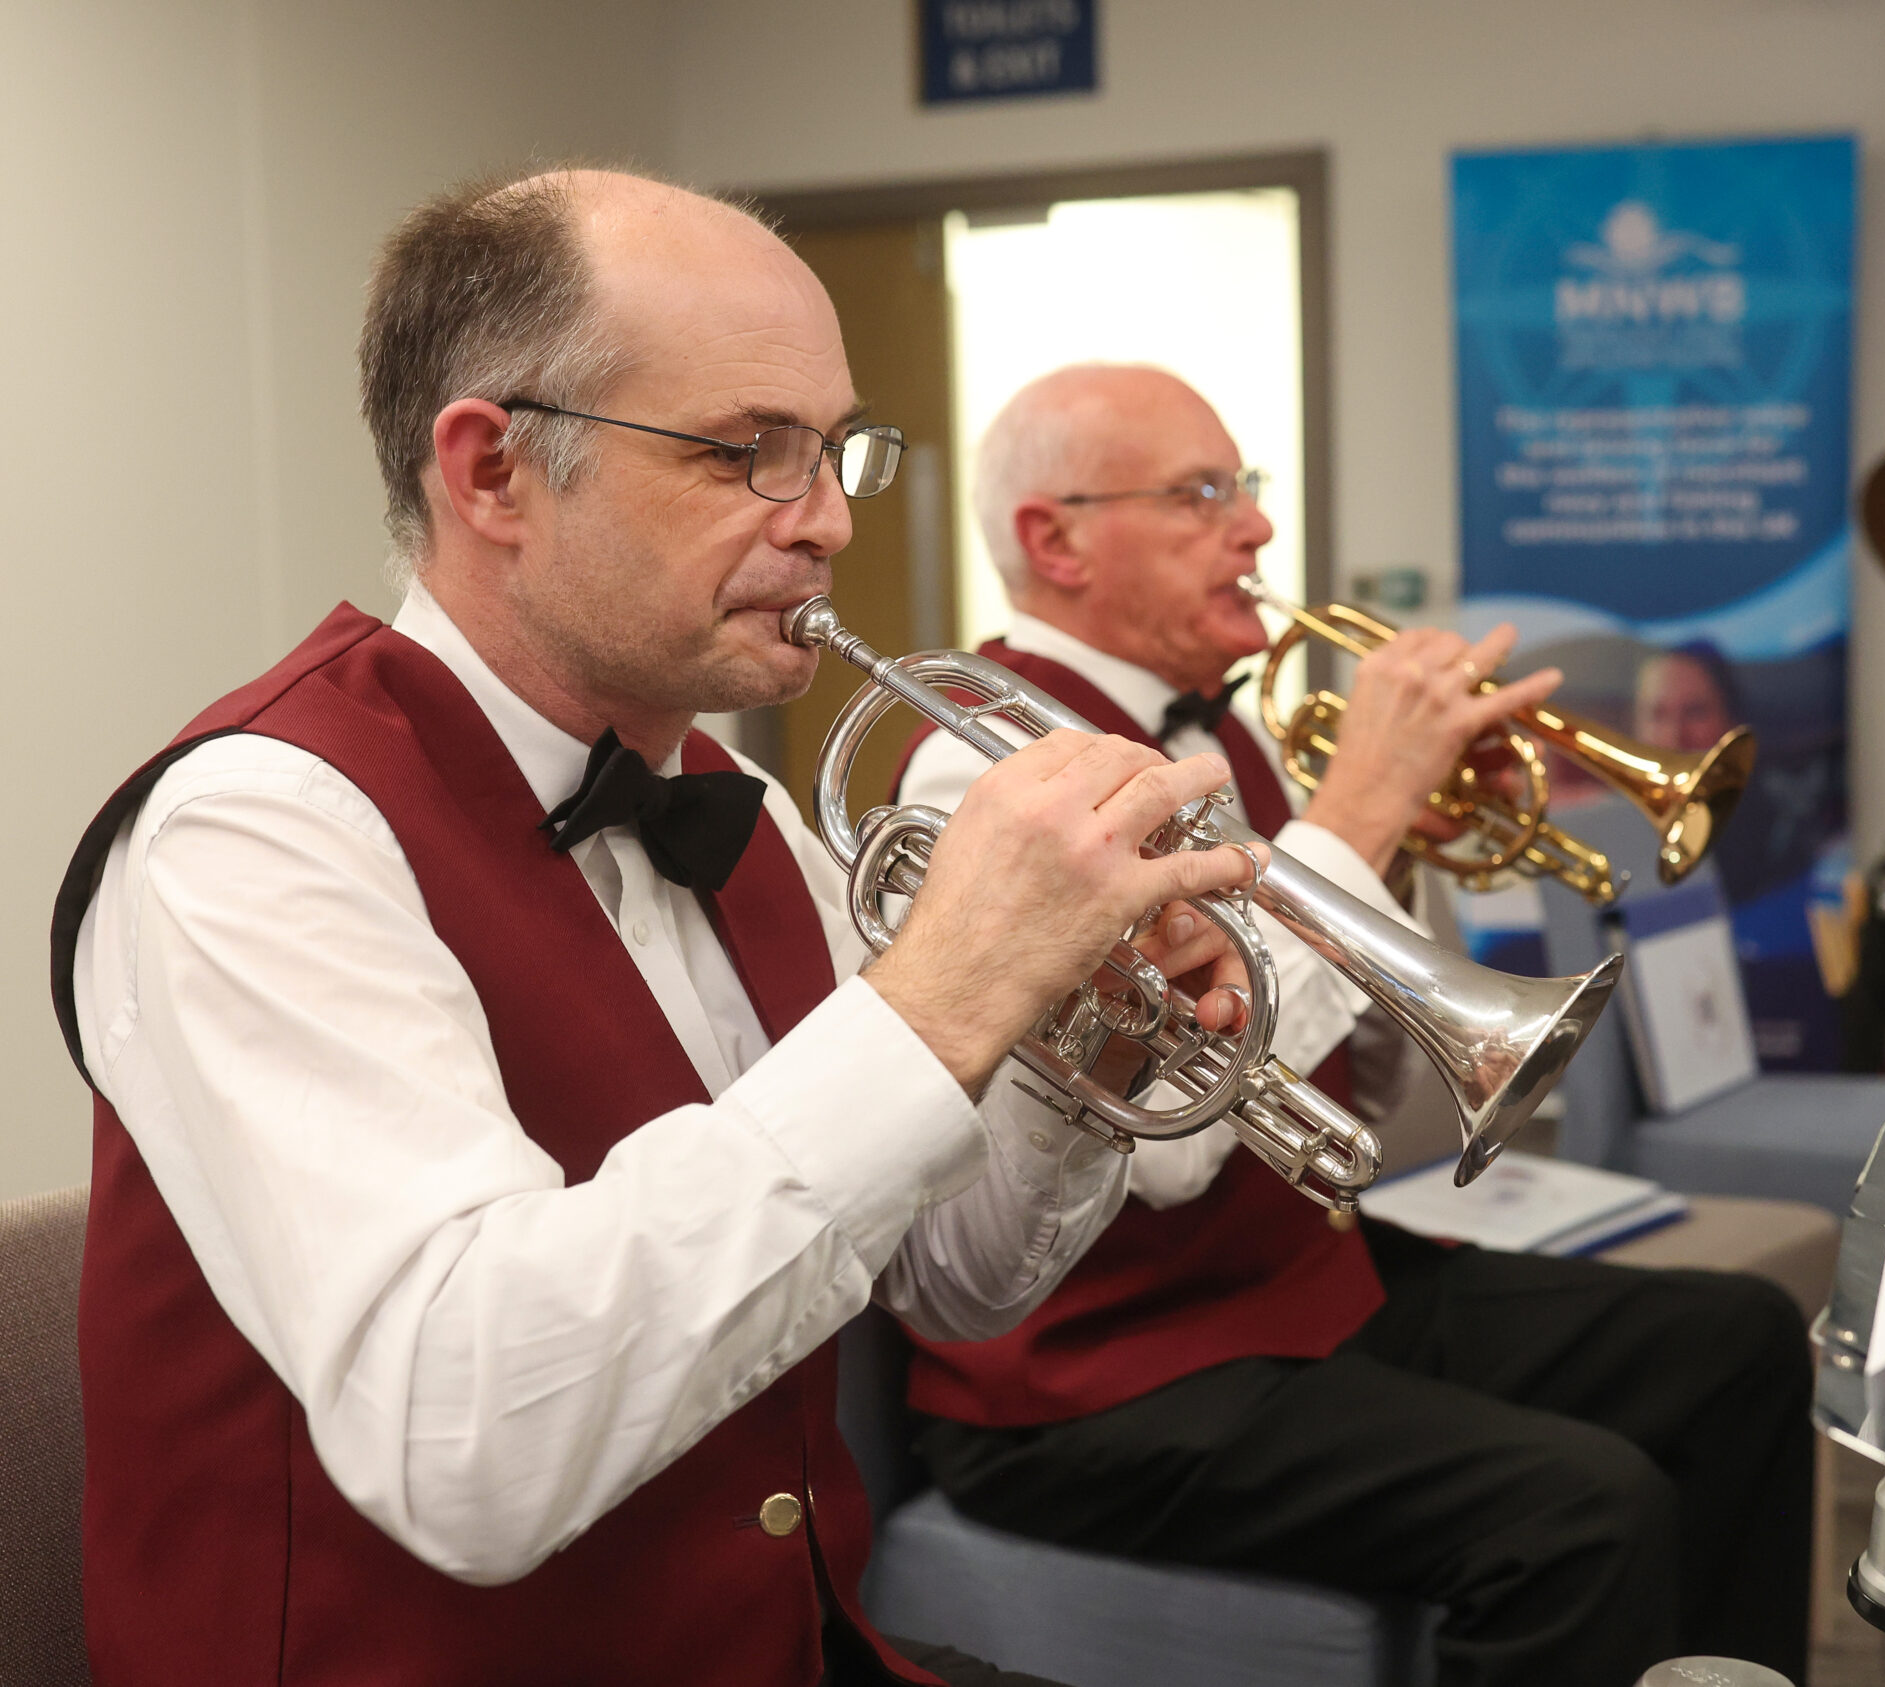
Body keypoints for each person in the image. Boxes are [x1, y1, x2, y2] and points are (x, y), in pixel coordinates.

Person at [51, 170, 1264, 1687]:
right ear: (494, 472)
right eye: (751, 452)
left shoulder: (734, 799)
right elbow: (470, 1443)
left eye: (836, 451)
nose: (829, 522)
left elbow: (957, 1278)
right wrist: (945, 994)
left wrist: (1081, 1043)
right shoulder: (254, 831)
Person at [893, 362, 1816, 1687]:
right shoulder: (980, 766)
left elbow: (1365, 1104)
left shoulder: (1239, 742)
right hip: (1094, 1382)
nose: (1257, 526)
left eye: (1246, 486)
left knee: (1739, 1342)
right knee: (1583, 1510)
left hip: (1293, 1288)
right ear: (1058, 541)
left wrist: (1400, 846)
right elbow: (1167, 1152)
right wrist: (1360, 812)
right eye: (1201, 494)